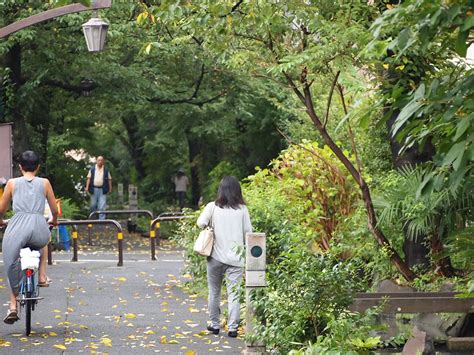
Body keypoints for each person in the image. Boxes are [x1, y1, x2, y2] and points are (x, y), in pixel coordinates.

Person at [0, 151, 58, 324]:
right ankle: (41, 275)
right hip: (39, 226)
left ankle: (12, 305)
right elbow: (54, 210)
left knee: (11, 259)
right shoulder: (45, 183)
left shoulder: (12, 183)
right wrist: (53, 221)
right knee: (44, 240)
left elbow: (1, 209)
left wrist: (1, 221)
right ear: (38, 166)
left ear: (20, 167)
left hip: (17, 226)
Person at [197, 176, 252, 338]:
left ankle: (214, 325)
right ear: (237, 191)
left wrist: (211, 225)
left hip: (214, 257)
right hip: (236, 260)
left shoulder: (212, 207)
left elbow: (200, 223)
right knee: (233, 293)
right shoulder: (242, 210)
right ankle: (233, 327)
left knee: (214, 291)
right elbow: (249, 232)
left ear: (220, 190)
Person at [85, 156, 112, 220]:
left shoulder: (106, 170)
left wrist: (110, 188)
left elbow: (109, 179)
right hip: (94, 189)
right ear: (96, 161)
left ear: (103, 161)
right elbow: (88, 178)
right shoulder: (92, 169)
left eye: (101, 160)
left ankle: (101, 220)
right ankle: (93, 218)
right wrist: (87, 187)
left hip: (103, 189)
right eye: (99, 160)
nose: (100, 162)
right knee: (93, 205)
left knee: (102, 206)